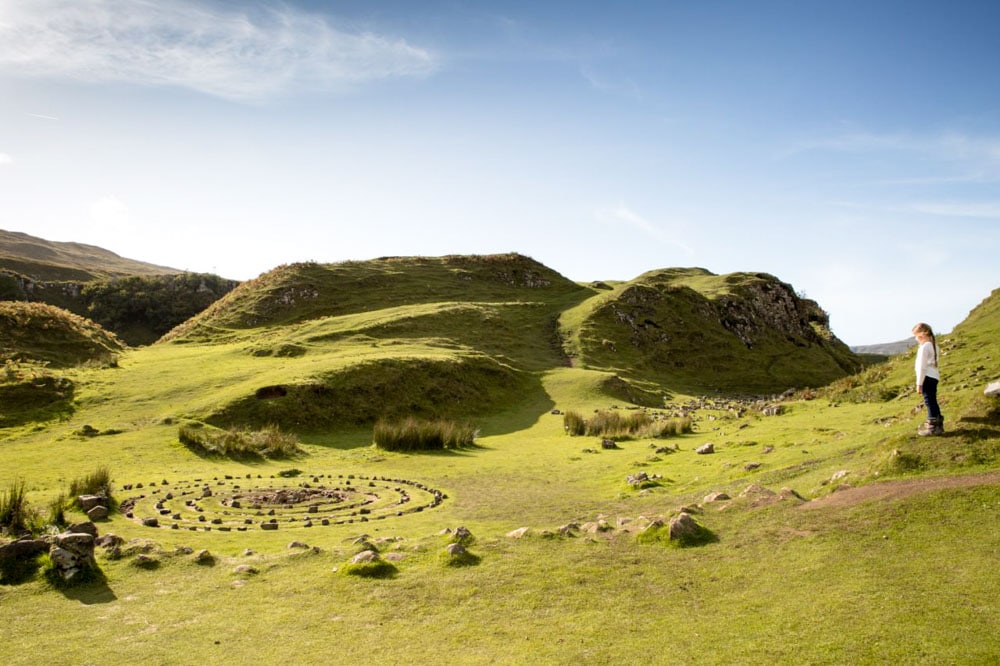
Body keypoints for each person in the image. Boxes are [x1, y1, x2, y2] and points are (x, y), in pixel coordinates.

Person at [912, 322, 943, 436]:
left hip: (927, 377)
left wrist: (919, 383)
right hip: (934, 376)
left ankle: (932, 428)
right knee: (932, 400)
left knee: (929, 401)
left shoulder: (924, 347)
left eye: (917, 336)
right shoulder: (934, 345)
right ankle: (938, 425)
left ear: (923, 334)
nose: (916, 339)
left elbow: (922, 367)